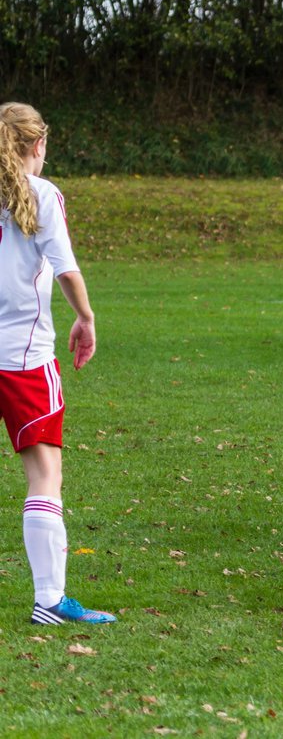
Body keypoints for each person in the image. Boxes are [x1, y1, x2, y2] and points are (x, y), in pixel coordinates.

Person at [0, 102, 115, 625]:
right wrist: (86, 317)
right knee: (45, 473)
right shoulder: (41, 194)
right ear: (38, 145)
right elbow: (66, 269)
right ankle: (48, 601)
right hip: (24, 357)